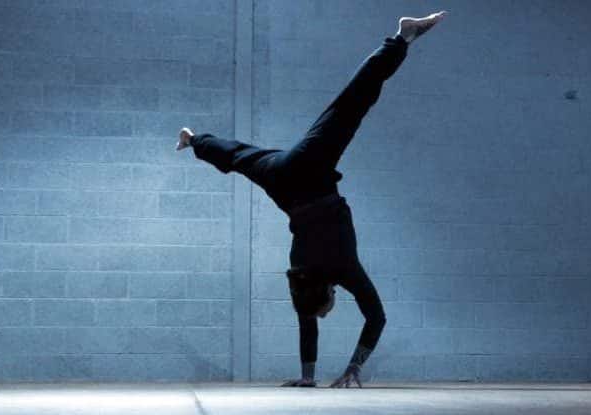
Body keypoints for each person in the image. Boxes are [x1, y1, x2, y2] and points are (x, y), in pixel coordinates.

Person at [177, 11, 447, 388]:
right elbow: (308, 323)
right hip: (284, 181)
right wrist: (307, 377)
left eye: (326, 308)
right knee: (240, 157)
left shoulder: (342, 269)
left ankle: (401, 38)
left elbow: (376, 317)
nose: (325, 312)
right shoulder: (299, 274)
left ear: (328, 293)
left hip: (311, 176)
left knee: (350, 107)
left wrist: (354, 366)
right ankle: (194, 141)